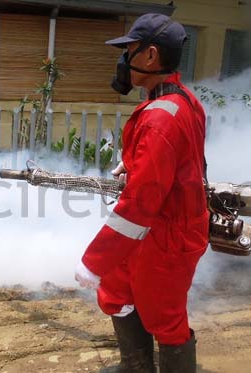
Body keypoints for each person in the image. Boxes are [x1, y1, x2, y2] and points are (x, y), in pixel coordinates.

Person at [74, 13, 210, 373]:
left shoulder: (160, 116)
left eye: (129, 51)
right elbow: (174, 162)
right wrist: (134, 164)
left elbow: (138, 207)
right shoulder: (179, 100)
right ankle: (135, 366)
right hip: (160, 225)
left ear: (150, 56)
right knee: (117, 292)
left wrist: (94, 260)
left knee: (164, 317)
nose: (123, 61)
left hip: (167, 232)